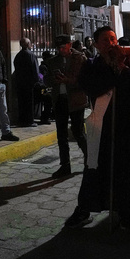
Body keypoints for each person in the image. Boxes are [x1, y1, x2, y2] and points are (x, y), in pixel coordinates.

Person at [68, 26, 130, 228]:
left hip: (124, 126)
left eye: (113, 39)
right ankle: (84, 209)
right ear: (97, 45)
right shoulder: (91, 65)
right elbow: (92, 87)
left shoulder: (129, 63)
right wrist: (112, 69)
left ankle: (125, 211)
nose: (111, 44)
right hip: (101, 128)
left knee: (124, 170)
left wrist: (122, 66)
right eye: (106, 40)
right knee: (94, 168)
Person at [45, 35, 88, 177]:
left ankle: (90, 160)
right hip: (60, 100)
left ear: (69, 45)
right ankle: (65, 165)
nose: (61, 50)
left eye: (63, 47)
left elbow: (83, 80)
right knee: (61, 134)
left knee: (78, 132)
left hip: (75, 100)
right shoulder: (53, 61)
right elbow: (47, 79)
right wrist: (54, 79)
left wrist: (67, 80)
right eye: (59, 48)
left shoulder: (80, 58)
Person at [13, 37, 40, 129]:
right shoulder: (31, 55)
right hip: (29, 83)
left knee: (22, 103)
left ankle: (22, 120)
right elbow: (35, 70)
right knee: (29, 102)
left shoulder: (18, 56)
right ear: (28, 44)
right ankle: (29, 121)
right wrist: (37, 81)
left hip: (20, 83)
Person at [37, 51, 54, 124]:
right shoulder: (43, 67)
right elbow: (41, 77)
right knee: (48, 100)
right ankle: (45, 118)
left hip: (46, 87)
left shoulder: (47, 66)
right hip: (43, 88)